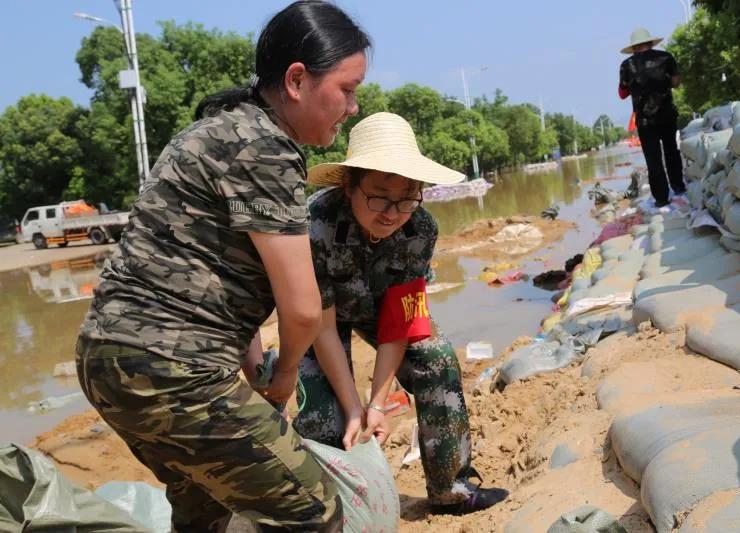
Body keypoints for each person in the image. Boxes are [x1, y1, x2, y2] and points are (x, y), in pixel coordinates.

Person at [74, 2, 370, 530]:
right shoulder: (266, 149)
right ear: (297, 80)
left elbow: (220, 281)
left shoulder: (216, 131)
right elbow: (301, 312)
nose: (351, 107)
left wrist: (253, 371)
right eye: (346, 90)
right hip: (171, 368)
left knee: (204, 508)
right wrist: (280, 384)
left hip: (108, 358)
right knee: (312, 506)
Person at [293, 112, 509, 515]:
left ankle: (450, 489)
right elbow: (321, 328)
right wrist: (353, 406)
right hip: (321, 316)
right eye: (378, 196)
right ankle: (323, 509)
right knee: (324, 416)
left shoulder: (420, 230)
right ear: (348, 185)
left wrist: (376, 404)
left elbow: (399, 320)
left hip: (379, 310)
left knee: (436, 356)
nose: (392, 213)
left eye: (407, 198)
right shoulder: (315, 225)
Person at [618, 27, 685, 208]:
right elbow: (676, 82)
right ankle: (678, 187)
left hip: (645, 121)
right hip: (667, 114)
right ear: (650, 43)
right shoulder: (665, 58)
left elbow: (622, 93)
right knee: (671, 151)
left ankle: (662, 198)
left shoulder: (627, 65)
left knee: (653, 158)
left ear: (633, 48)